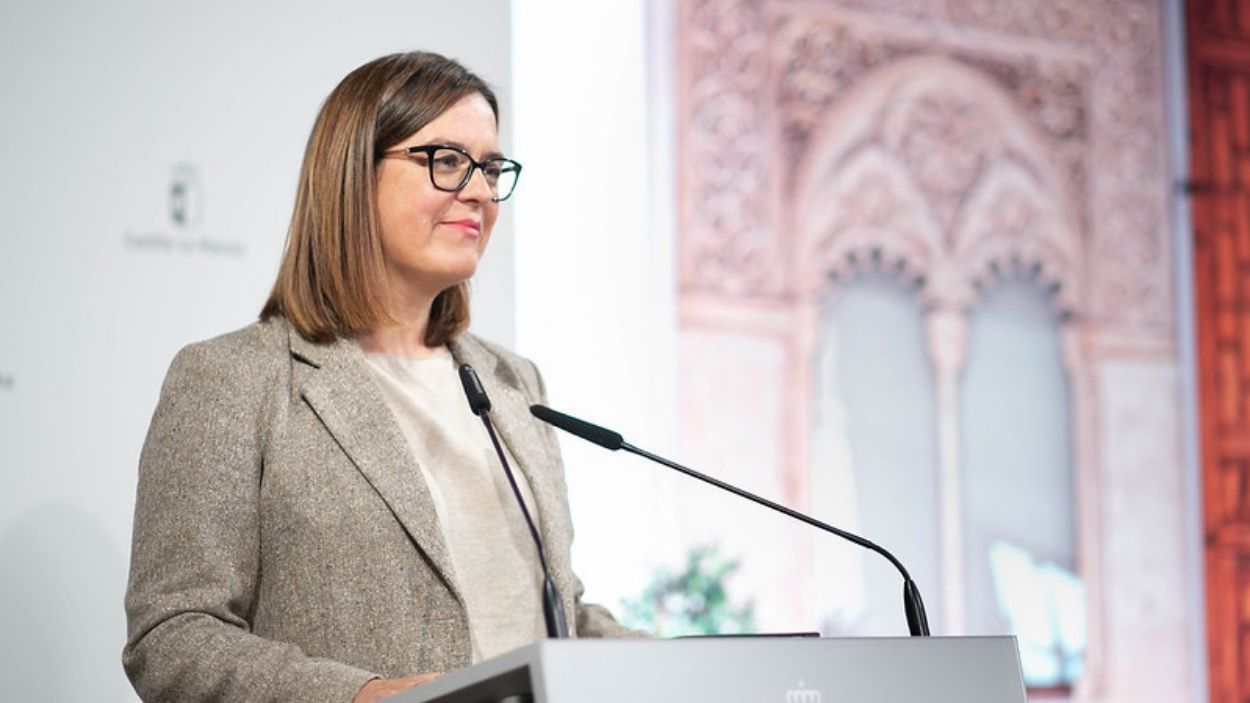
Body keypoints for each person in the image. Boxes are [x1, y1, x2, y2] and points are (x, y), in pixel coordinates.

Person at [122, 51, 637, 703]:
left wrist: (693, 670)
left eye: (491, 167)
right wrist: (363, 696)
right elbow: (175, 636)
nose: (479, 190)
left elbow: (559, 619)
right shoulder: (234, 379)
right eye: (447, 161)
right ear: (352, 173)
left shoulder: (513, 381)